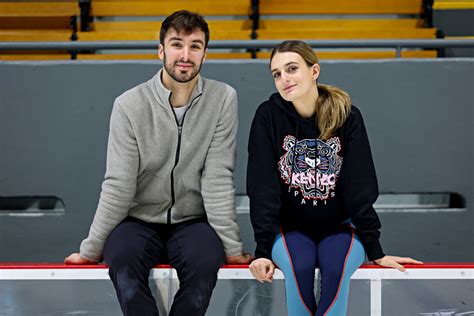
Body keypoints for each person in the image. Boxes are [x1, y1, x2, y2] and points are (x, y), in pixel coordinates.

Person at [64, 10, 252, 316]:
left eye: (195, 46)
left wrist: (232, 249)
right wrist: (90, 251)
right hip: (137, 221)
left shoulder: (222, 99)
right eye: (177, 44)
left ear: (205, 52)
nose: (185, 55)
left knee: (206, 265)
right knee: (123, 263)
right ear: (161, 49)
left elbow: (217, 177)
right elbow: (119, 183)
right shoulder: (129, 105)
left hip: (193, 223)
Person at [247, 40, 422, 316]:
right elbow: (262, 189)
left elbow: (359, 188)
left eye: (292, 68)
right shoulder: (267, 117)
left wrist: (375, 249)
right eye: (277, 73)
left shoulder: (347, 116)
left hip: (342, 229)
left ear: (314, 70)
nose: (284, 79)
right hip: (289, 230)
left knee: (334, 270)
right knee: (300, 268)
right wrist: (262, 251)